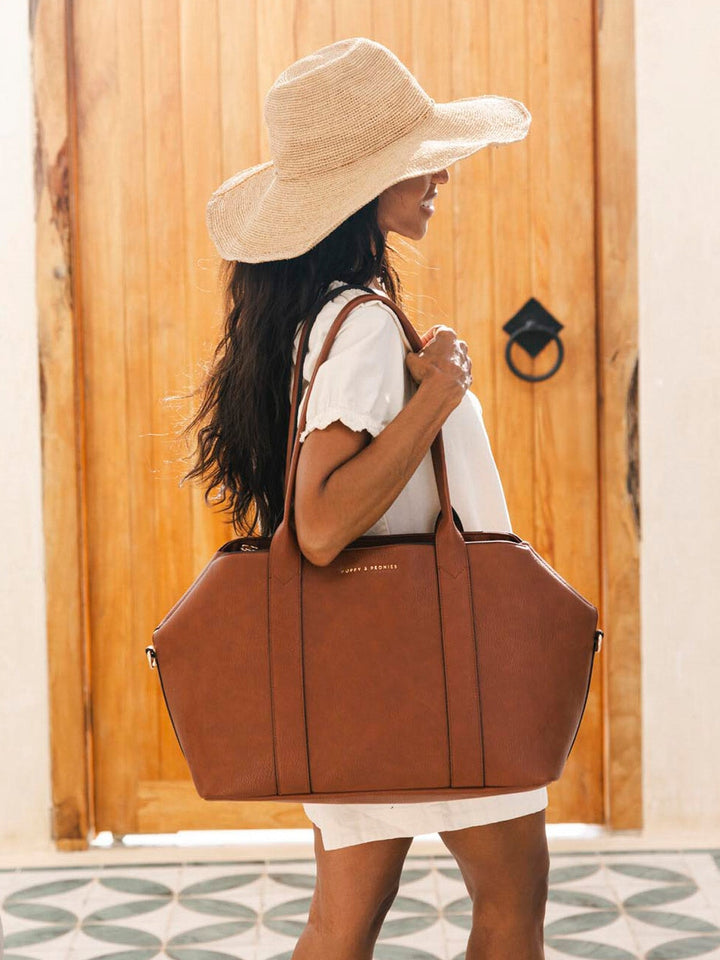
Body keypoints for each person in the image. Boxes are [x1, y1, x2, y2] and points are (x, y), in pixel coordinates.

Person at [191, 36, 549, 960]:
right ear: (362, 189)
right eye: (416, 163)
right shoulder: (358, 325)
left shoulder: (323, 314)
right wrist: (436, 397)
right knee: (512, 906)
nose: (439, 178)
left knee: (340, 926)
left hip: (365, 679)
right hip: (434, 665)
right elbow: (319, 525)